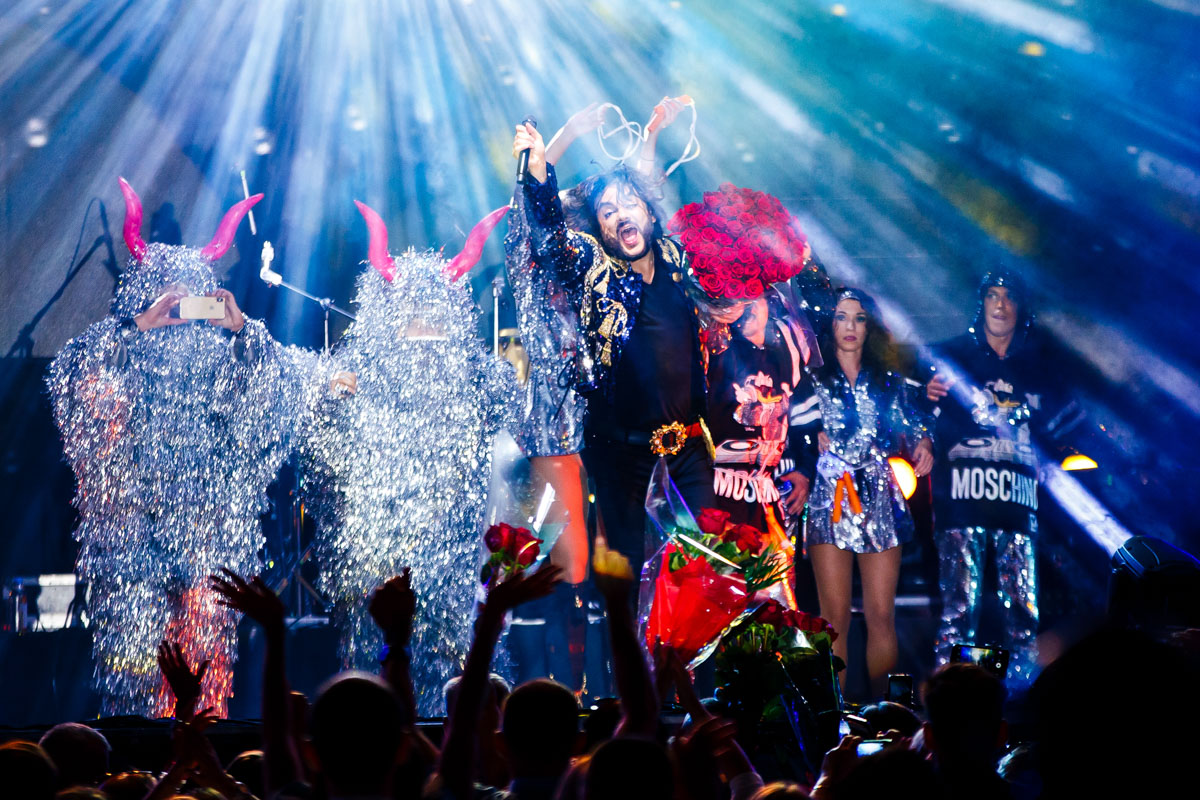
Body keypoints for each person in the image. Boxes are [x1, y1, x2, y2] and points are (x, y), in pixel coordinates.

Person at [46, 178, 302, 716]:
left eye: (192, 297)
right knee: (134, 658)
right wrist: (135, 326)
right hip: (132, 534)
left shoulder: (224, 356)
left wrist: (244, 332)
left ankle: (202, 741)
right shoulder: (122, 349)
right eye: (170, 297)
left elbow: (276, 394)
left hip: (206, 531)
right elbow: (69, 376)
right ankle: (136, 743)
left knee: (205, 659)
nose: (182, 308)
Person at [300, 202, 518, 715]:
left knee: (457, 659)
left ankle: (461, 738)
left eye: (434, 312)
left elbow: (516, 444)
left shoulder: (479, 375)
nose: (423, 326)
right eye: (411, 313)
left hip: (455, 552)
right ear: (389, 314)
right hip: (378, 549)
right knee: (377, 660)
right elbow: (321, 445)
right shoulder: (357, 369)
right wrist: (331, 400)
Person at [510, 122, 719, 567]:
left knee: (704, 574)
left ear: (650, 214)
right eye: (608, 212)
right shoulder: (593, 267)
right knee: (627, 579)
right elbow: (552, 240)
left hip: (689, 453)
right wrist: (540, 172)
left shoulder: (677, 259)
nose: (621, 215)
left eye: (629, 204)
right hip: (622, 458)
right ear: (601, 230)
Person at [925, 269, 1073, 686]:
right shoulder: (951, 357)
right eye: (992, 295)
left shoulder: (1040, 367)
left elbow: (1066, 426)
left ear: (1020, 306)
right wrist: (925, 394)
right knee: (958, 611)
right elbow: (914, 416)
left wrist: (1055, 456)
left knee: (1023, 615)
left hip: (1018, 504)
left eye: (1009, 296)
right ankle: (949, 699)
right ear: (981, 303)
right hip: (962, 502)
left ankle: (1022, 701)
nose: (1001, 305)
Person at [794, 289, 933, 690]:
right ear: (829, 323)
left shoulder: (889, 379)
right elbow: (790, 429)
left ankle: (884, 710)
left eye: (858, 318)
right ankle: (834, 712)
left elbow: (917, 420)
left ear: (869, 326)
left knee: (881, 614)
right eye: (841, 317)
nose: (850, 326)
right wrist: (810, 439)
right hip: (829, 497)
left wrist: (925, 443)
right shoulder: (811, 377)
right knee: (833, 617)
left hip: (880, 498)